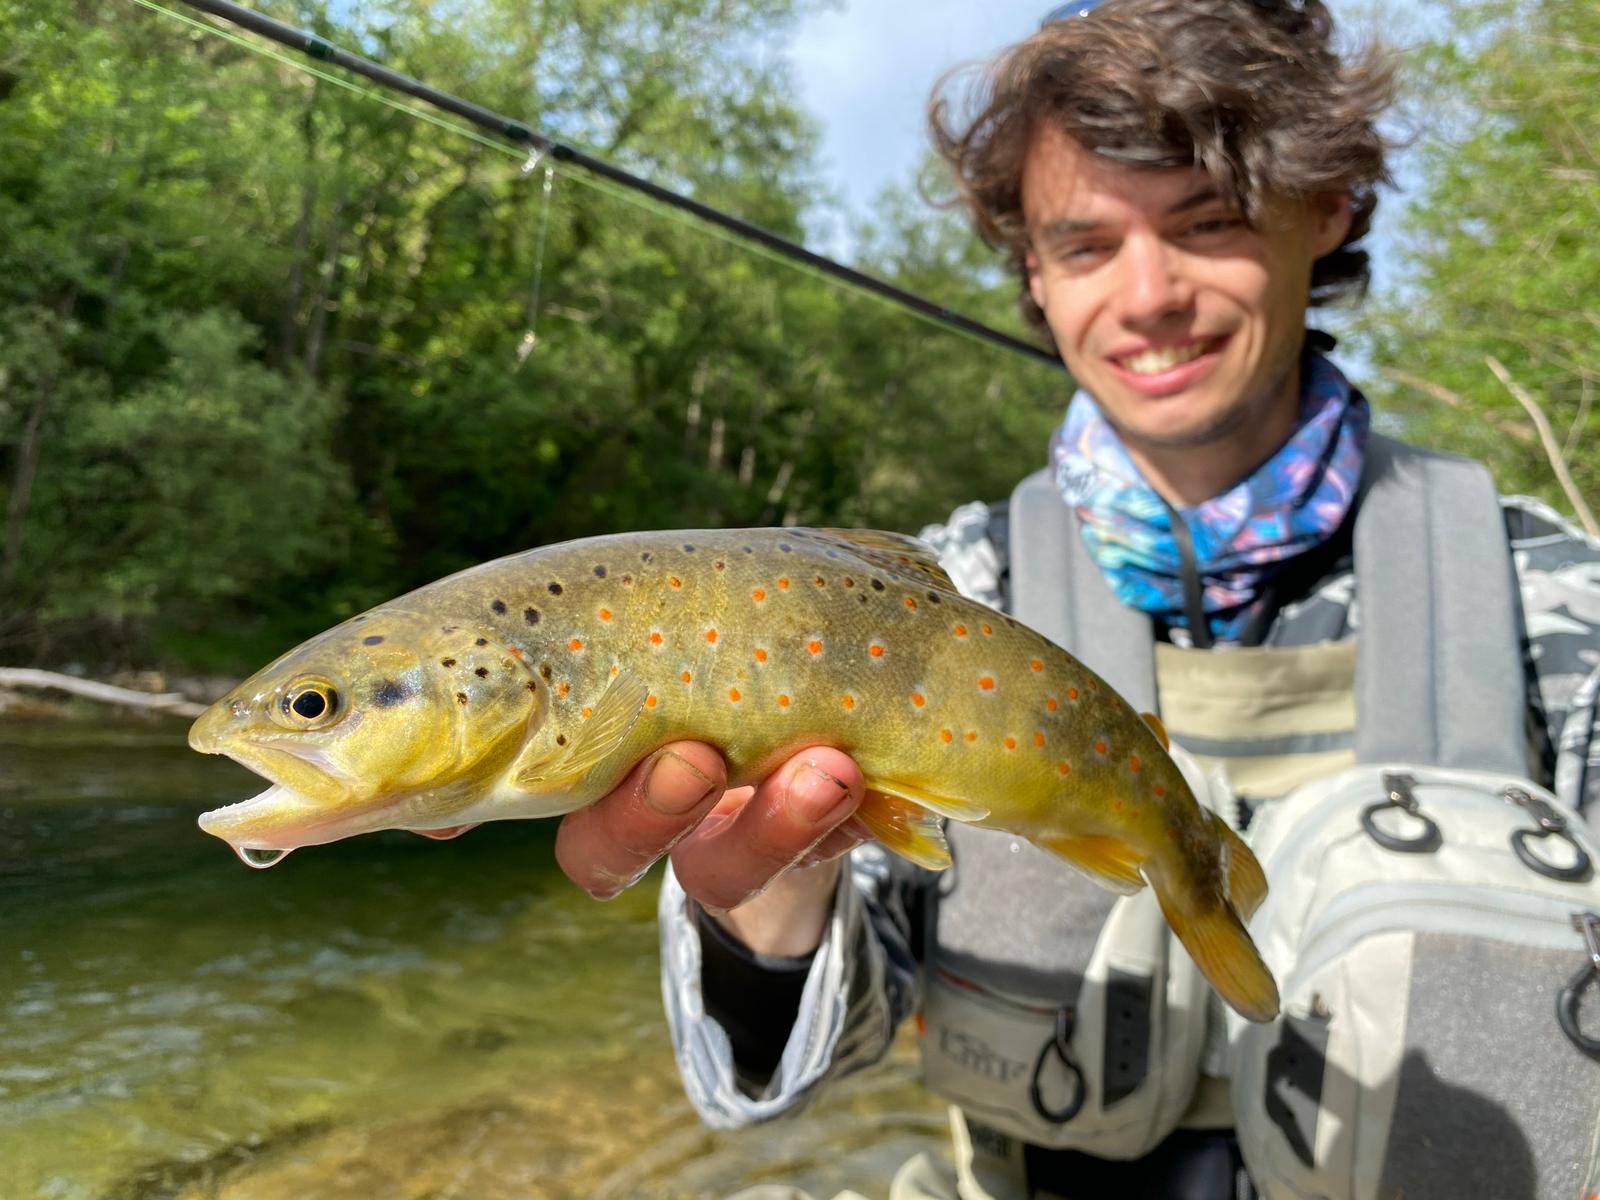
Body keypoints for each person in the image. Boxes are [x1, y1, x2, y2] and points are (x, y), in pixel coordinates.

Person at [555, 1, 1600, 1196]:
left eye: (1207, 224)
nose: (1148, 294)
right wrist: (766, 877)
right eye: (1086, 244)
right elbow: (774, 1087)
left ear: (1327, 212)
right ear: (1034, 277)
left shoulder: (1553, 600)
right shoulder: (912, 600)